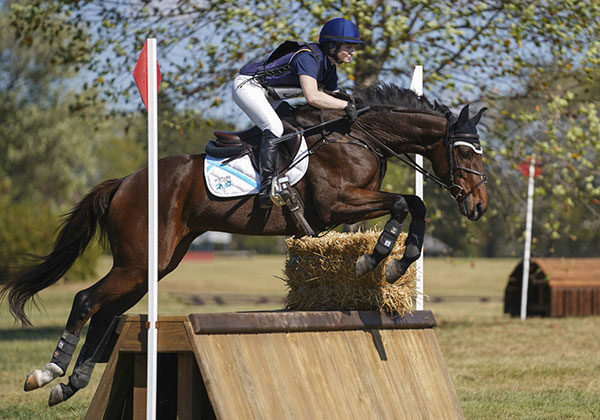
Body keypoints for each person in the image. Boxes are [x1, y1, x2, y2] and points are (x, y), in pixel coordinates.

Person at [232, 17, 364, 209]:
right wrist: (345, 107)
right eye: (349, 47)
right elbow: (313, 97)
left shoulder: (329, 67)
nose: (353, 52)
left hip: (270, 94)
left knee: (294, 126)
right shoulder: (308, 58)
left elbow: (335, 95)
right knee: (275, 127)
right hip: (248, 86)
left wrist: (356, 104)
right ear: (333, 46)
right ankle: (266, 190)